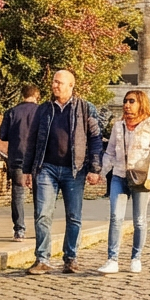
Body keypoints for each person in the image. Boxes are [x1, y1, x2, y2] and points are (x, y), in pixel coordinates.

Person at [22, 70, 104, 274]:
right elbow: (31, 141)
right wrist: (26, 170)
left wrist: (95, 168)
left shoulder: (86, 108)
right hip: (46, 168)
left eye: (59, 82)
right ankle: (42, 259)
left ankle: (70, 258)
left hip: (74, 170)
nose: (55, 85)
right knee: (42, 214)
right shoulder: (43, 110)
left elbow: (95, 139)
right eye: (53, 82)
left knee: (74, 216)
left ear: (71, 85)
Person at [97, 90, 150, 274]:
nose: (127, 104)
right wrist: (101, 173)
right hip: (119, 175)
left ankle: (136, 257)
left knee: (139, 220)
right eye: (125, 101)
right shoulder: (119, 126)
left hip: (141, 177)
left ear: (141, 103)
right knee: (115, 217)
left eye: (131, 101)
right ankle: (112, 259)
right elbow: (110, 152)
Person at [0, 84, 41, 241]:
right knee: (40, 195)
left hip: (17, 157)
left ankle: (19, 230)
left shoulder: (11, 112)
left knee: (18, 194)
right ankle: (40, 229)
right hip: (38, 159)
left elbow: (3, 136)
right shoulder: (42, 111)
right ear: (36, 95)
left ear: (23, 95)